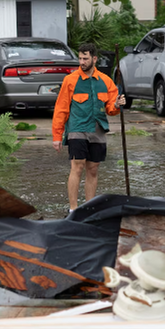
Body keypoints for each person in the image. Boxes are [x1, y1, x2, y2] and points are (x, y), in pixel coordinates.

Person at [52, 42, 126, 212]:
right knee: (77, 166)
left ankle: (89, 209)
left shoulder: (106, 81)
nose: (82, 62)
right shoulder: (70, 80)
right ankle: (73, 209)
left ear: (94, 59)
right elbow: (61, 110)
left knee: (93, 170)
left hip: (98, 129)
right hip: (77, 128)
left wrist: (117, 104)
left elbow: (111, 109)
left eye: (85, 58)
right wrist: (57, 137)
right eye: (80, 58)